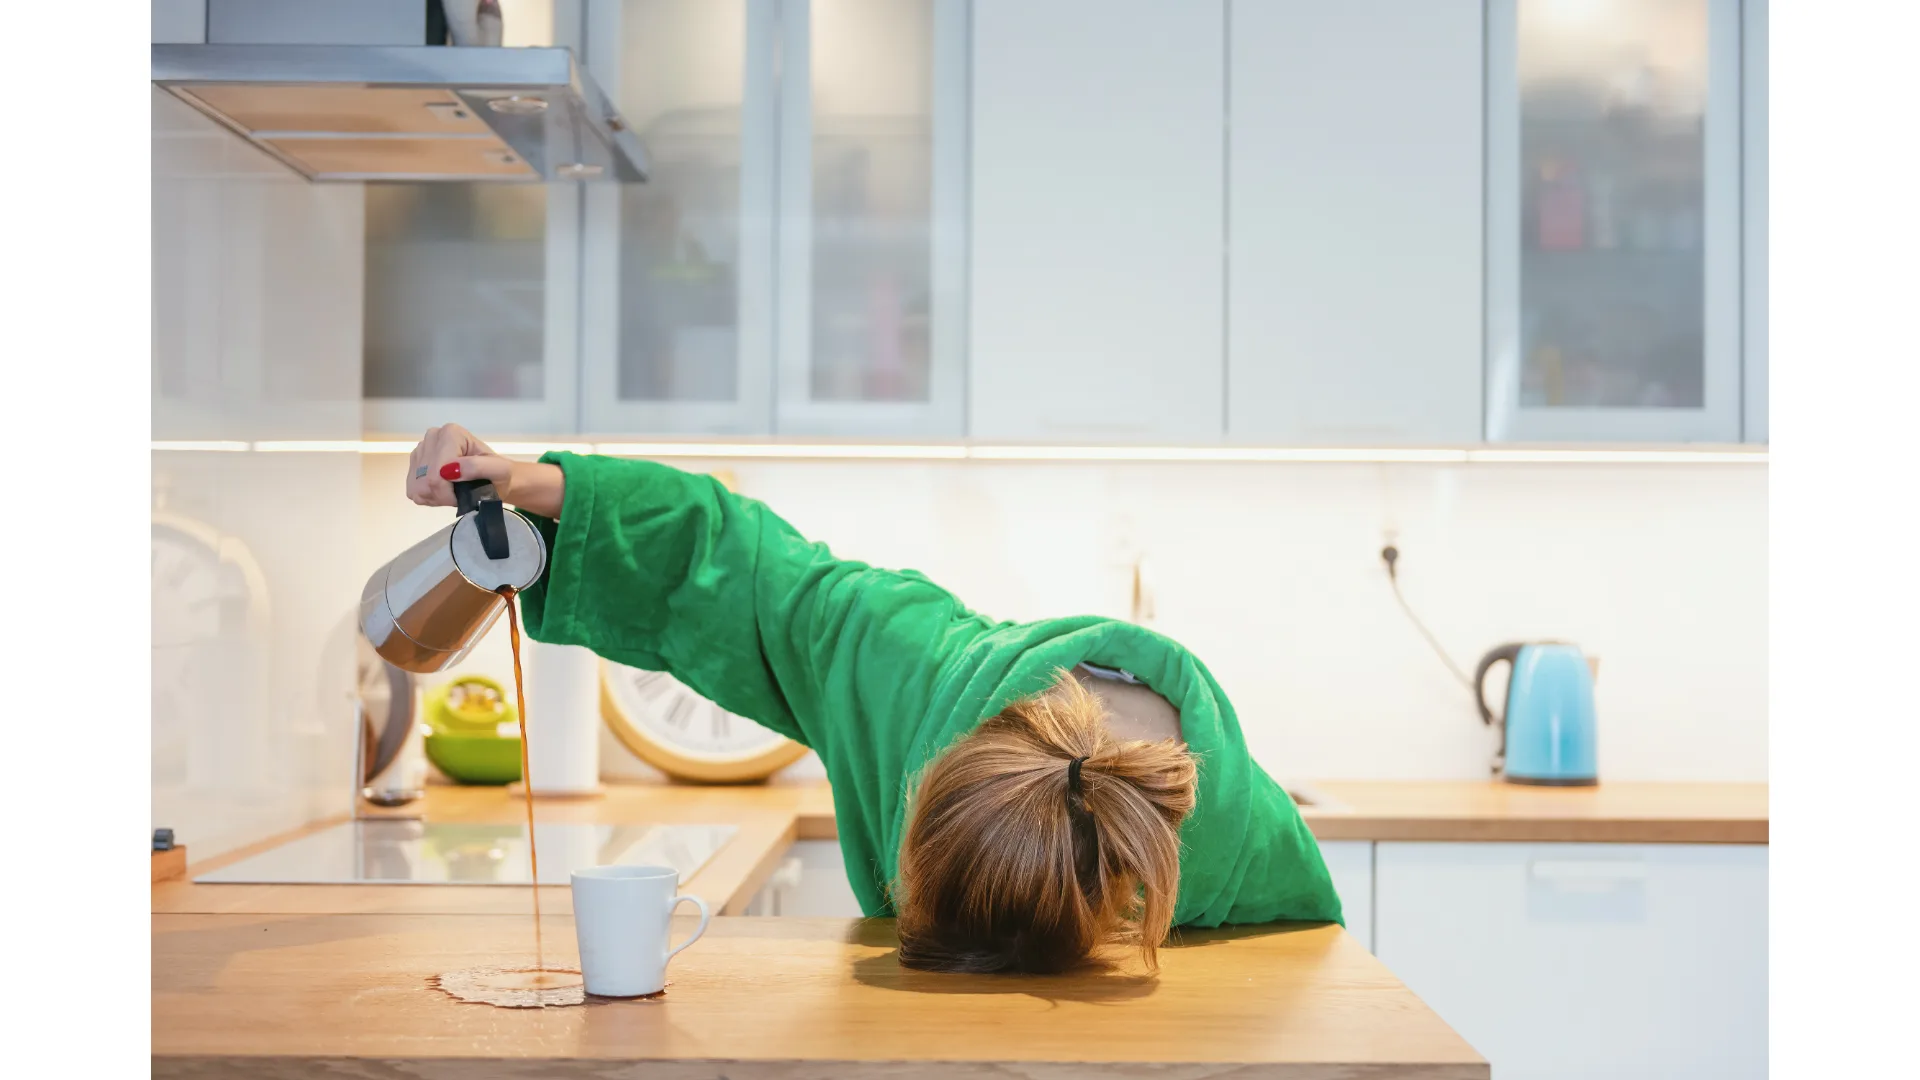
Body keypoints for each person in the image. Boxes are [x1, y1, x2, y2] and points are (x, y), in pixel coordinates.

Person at [405, 425, 1342, 974]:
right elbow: (738, 566)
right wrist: (541, 487)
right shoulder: (904, 667)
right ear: (924, 776)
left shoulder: (1242, 849)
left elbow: (1299, 995)